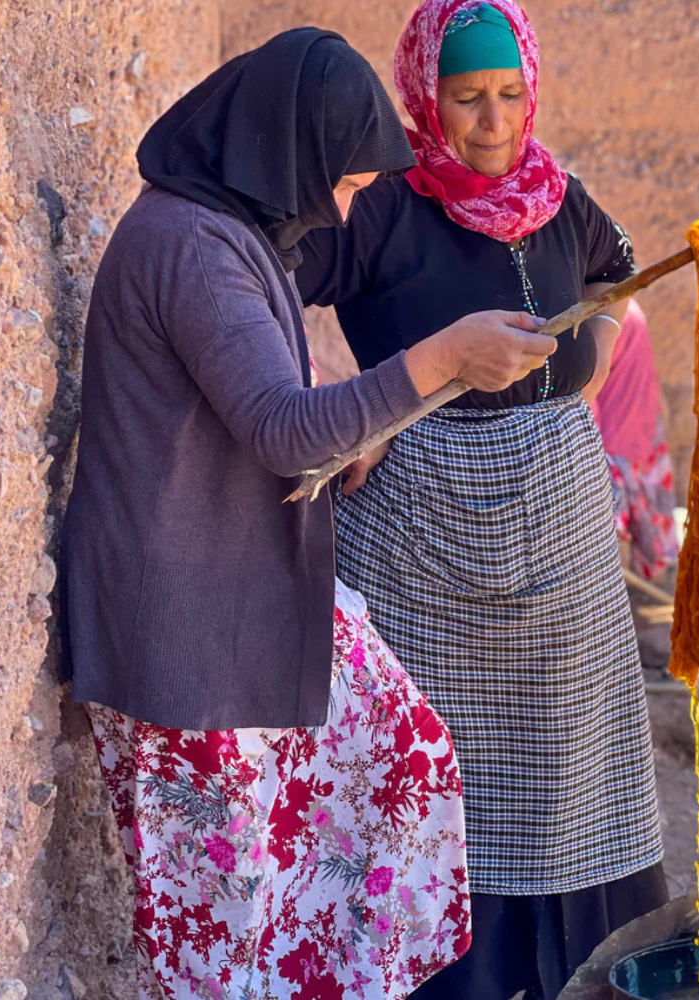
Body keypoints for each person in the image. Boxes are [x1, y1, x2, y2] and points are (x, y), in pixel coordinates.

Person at [60, 28, 559, 1000]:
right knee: (224, 915)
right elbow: (285, 432)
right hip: (181, 639)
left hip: (238, 600)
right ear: (280, 154)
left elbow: (261, 389)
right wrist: (441, 358)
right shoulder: (191, 246)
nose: (339, 211)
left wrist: (353, 411)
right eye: (338, 184)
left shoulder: (222, 236)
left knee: (403, 755)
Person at [295, 4, 667, 998]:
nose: (493, 121)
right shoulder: (379, 209)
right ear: (426, 95)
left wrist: (579, 383)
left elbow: (616, 274)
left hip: (560, 540)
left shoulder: (562, 196)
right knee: (429, 771)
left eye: (508, 95)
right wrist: (346, 405)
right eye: (467, 98)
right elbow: (271, 287)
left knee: (565, 777)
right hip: (418, 537)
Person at [592, 299, 680, 585]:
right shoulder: (630, 308)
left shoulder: (599, 318)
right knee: (644, 523)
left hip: (614, 439)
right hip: (645, 430)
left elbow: (586, 392)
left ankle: (620, 606)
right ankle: (647, 598)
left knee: (607, 531)